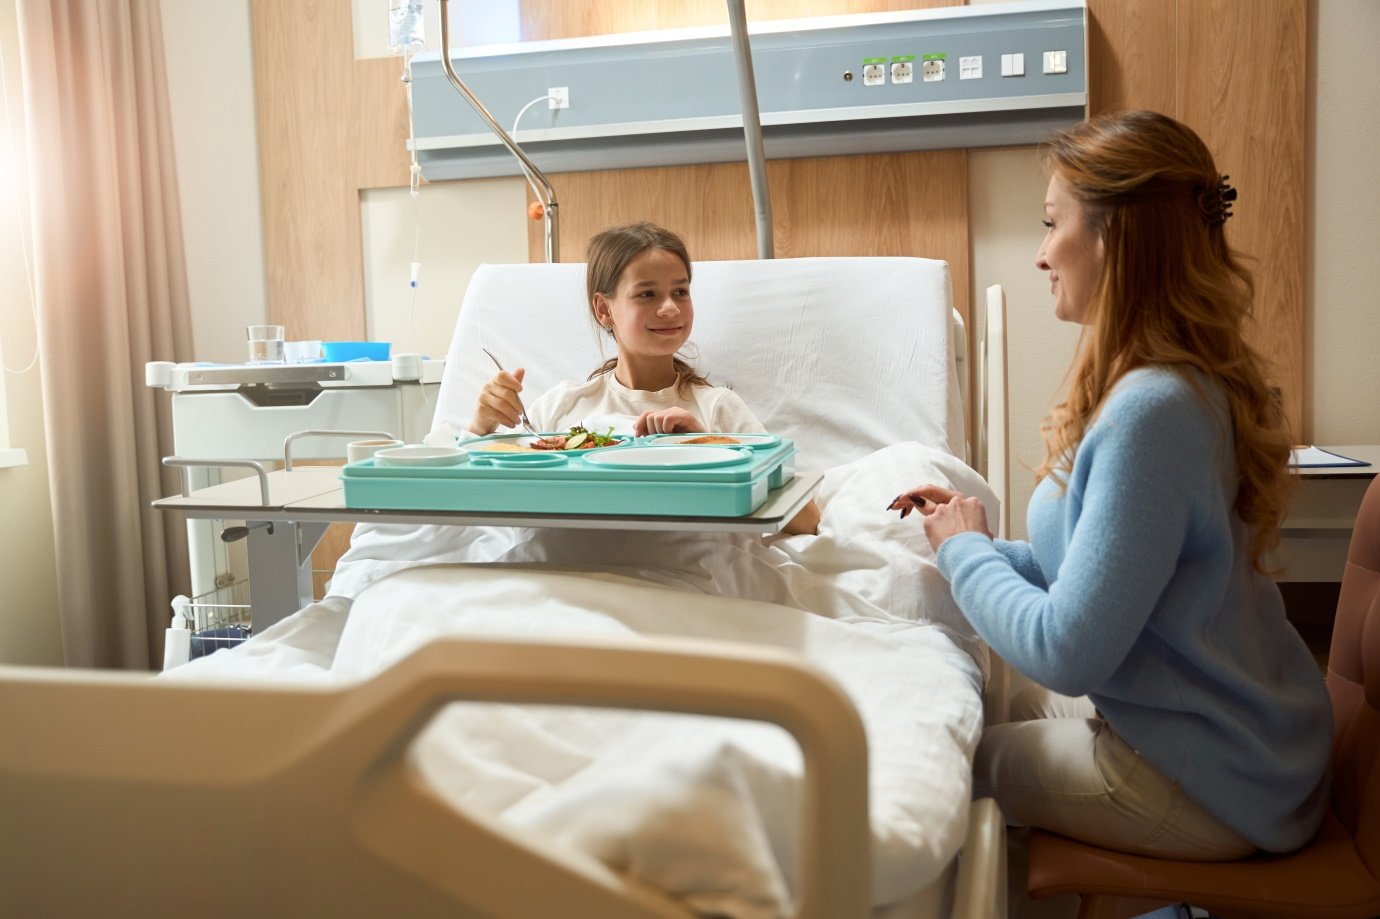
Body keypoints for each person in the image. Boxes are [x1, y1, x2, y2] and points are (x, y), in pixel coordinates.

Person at [889, 110, 1330, 859]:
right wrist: (981, 543)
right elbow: (1110, 579)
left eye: (1051, 222)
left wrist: (965, 557)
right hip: (1244, 747)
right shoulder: (1175, 384)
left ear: (1113, 237)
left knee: (944, 768)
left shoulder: (1152, 413)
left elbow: (1067, 651)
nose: (1039, 254)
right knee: (987, 709)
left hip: (1209, 781)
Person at [468, 221, 820, 536]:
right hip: (561, 568)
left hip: (676, 574)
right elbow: (482, 496)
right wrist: (480, 428)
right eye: (647, 294)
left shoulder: (716, 409)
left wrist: (708, 448)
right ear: (604, 309)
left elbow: (807, 520)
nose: (670, 308)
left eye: (680, 292)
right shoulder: (563, 406)